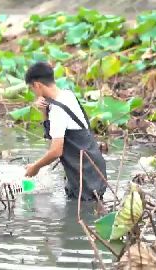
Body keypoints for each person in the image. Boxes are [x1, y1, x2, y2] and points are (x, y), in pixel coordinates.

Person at [24, 62, 107, 201]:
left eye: (32, 88)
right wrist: (44, 111)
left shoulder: (57, 111)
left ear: (37, 85)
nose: (34, 93)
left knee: (82, 212)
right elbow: (53, 135)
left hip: (85, 178)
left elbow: (56, 151)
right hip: (95, 169)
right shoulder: (67, 95)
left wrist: (35, 167)